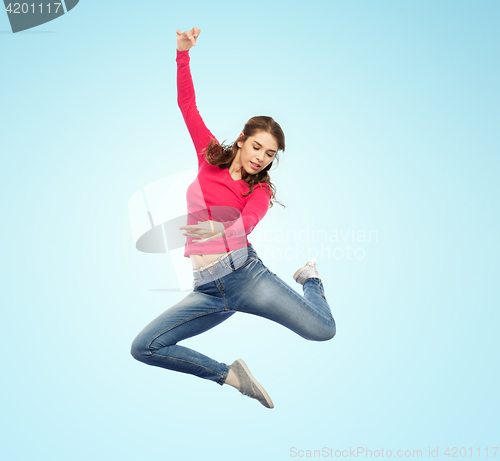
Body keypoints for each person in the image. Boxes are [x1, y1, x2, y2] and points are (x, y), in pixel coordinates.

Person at [130, 27, 336, 409]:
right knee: (145, 347)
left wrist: (221, 229)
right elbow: (187, 106)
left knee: (323, 330)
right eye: (257, 146)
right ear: (242, 139)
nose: (261, 157)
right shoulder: (209, 157)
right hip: (206, 289)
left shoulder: (258, 191)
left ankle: (311, 278)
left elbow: (249, 223)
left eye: (270, 153)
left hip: (244, 277)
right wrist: (182, 54)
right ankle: (230, 375)